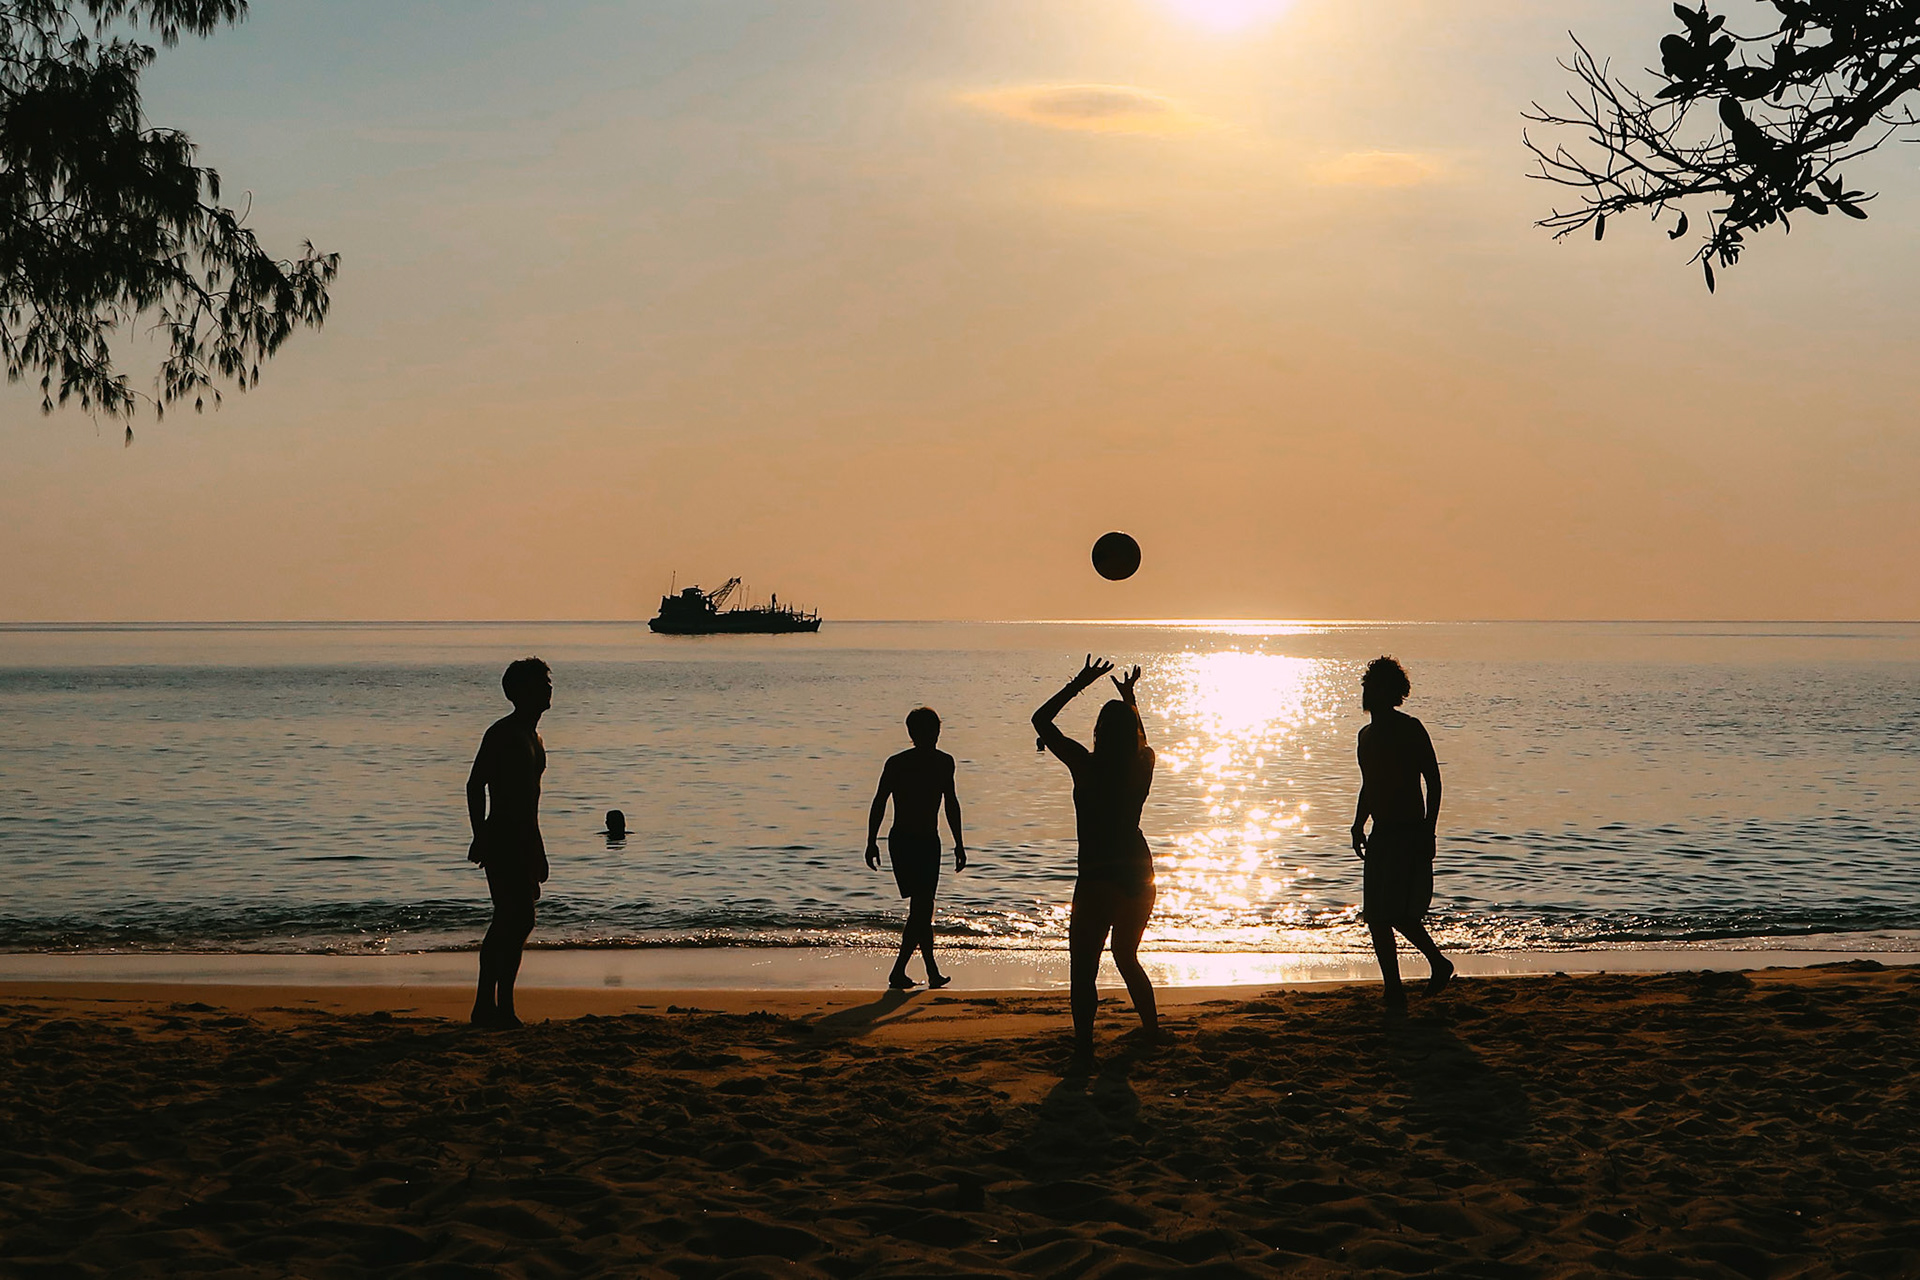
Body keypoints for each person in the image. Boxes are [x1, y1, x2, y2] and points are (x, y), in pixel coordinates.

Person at [1032, 656, 1160, 1063]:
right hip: (1139, 875)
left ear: (1099, 733)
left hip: (1098, 876)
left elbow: (1040, 721)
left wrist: (1079, 684)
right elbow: (1140, 740)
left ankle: (1085, 1049)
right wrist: (1131, 699)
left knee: (1083, 967)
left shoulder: (1084, 765)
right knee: (1126, 956)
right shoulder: (1143, 765)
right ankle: (1152, 1031)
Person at [1349, 655, 1454, 1009]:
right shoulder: (1365, 736)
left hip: (1408, 831)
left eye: (1372, 685)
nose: (1365, 690)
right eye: (1365, 684)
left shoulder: (1410, 728)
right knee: (1376, 916)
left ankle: (1438, 963)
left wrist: (1430, 830)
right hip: (1381, 832)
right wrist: (1358, 823)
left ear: (1389, 692)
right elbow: (1369, 784)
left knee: (1396, 914)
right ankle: (1393, 988)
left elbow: (1433, 781)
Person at [466, 657, 552, 1028]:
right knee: (509, 919)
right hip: (502, 836)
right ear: (520, 692)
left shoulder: (534, 737)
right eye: (541, 683)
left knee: (519, 922)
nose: (549, 688)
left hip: (524, 837)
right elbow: (475, 784)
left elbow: (531, 801)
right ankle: (487, 1005)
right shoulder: (503, 733)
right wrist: (481, 834)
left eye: (548, 682)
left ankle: (502, 1006)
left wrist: (539, 849)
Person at [865, 707, 967, 990]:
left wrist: (959, 842)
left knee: (922, 908)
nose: (931, 735)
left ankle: (922, 972)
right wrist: (871, 840)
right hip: (905, 841)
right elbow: (880, 801)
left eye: (934, 730)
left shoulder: (944, 762)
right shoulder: (897, 763)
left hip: (929, 841)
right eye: (925, 731)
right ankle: (911, 971)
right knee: (922, 908)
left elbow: (951, 803)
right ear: (913, 734)